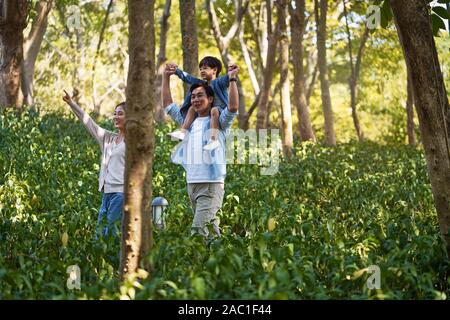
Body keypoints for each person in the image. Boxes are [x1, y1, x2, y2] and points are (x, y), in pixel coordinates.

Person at [162, 62, 239, 238]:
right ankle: (222, 261)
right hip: (192, 183)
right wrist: (166, 77)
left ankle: (198, 264)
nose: (195, 99)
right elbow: (168, 105)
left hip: (210, 184)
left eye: (200, 96)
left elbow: (233, 108)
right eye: (193, 96)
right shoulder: (188, 122)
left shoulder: (219, 121)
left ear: (210, 99)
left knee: (198, 232)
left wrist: (233, 78)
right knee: (210, 233)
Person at [62, 90, 125, 240]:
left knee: (111, 235)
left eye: (120, 113)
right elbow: (88, 122)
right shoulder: (108, 139)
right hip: (106, 193)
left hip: (121, 194)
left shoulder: (132, 142)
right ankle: (99, 263)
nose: (116, 117)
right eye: (115, 113)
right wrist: (72, 103)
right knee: (99, 236)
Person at [167, 56, 236, 151]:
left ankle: (213, 140)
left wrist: (231, 73)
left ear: (214, 70)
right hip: (207, 111)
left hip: (219, 110)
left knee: (214, 110)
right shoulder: (201, 83)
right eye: (200, 69)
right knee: (192, 108)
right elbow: (188, 78)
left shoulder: (219, 82)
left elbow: (227, 79)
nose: (202, 71)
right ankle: (183, 132)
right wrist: (176, 71)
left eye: (205, 68)